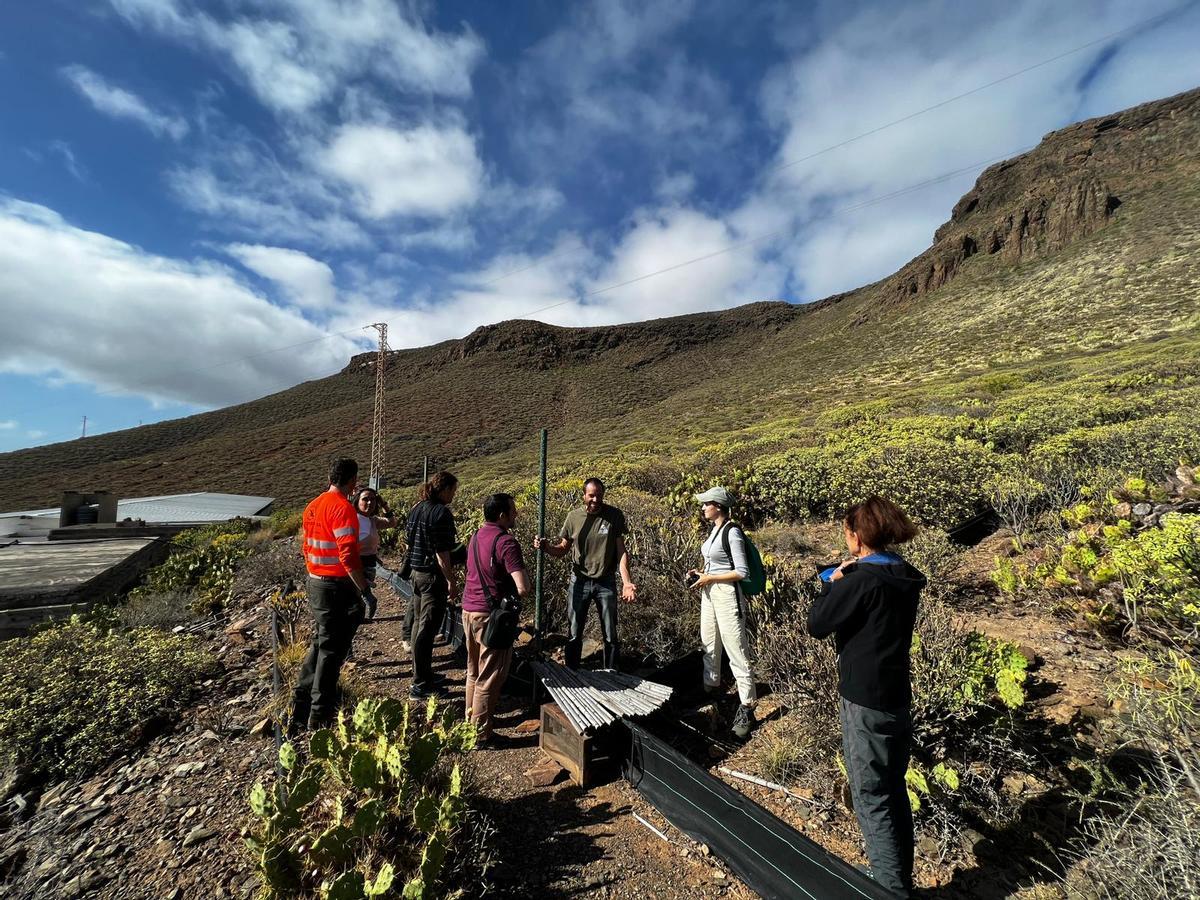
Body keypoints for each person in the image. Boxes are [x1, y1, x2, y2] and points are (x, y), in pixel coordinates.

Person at [808, 496, 926, 900]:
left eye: (847, 532)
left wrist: (831, 585)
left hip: (864, 699)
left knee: (870, 795)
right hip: (896, 695)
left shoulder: (860, 580)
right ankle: (893, 876)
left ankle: (889, 889)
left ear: (857, 536)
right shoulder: (902, 573)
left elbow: (817, 624)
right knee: (892, 789)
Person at [291, 457, 369, 731]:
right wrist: (364, 588)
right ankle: (319, 713)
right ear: (352, 480)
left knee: (321, 643)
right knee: (331, 650)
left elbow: (306, 547)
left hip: (316, 582)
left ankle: (300, 704)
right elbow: (348, 555)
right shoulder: (342, 508)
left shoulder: (313, 505)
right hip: (334, 585)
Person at [534, 477, 636, 670]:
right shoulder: (573, 517)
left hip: (605, 582)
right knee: (574, 632)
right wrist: (546, 547)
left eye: (599, 495)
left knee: (610, 633)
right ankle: (572, 672)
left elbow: (621, 551)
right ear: (584, 496)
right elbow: (563, 549)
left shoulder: (614, 516)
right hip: (579, 581)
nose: (595, 500)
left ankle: (611, 673)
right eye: (591, 495)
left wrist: (627, 582)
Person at [687, 486, 757, 740]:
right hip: (710, 593)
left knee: (736, 649)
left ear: (718, 506)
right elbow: (716, 564)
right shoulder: (714, 530)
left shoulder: (732, 531)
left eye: (707, 503)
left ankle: (747, 706)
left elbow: (741, 572)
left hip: (727, 595)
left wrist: (711, 578)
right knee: (709, 643)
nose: (703, 507)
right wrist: (701, 574)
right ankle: (712, 689)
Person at [462, 493, 531, 746]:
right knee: (490, 676)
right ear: (502, 515)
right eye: (513, 510)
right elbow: (523, 587)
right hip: (490, 617)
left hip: (468, 610)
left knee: (473, 672)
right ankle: (480, 735)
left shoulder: (475, 536)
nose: (516, 514)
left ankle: (469, 725)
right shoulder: (506, 542)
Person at [403, 471, 460, 700]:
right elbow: (442, 553)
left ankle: (423, 674)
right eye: (453, 490)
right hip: (432, 577)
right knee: (427, 629)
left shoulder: (417, 508)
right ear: (444, 489)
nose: (453, 495)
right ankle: (420, 685)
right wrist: (451, 580)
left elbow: (408, 540)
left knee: (419, 625)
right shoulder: (440, 513)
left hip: (416, 573)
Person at [352, 487, 397, 622]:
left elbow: (392, 522)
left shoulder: (373, 520)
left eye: (373, 499)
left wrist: (384, 505)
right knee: (356, 595)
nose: (370, 502)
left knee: (359, 596)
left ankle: (361, 619)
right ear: (357, 501)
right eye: (365, 499)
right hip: (355, 565)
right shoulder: (351, 519)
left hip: (370, 564)